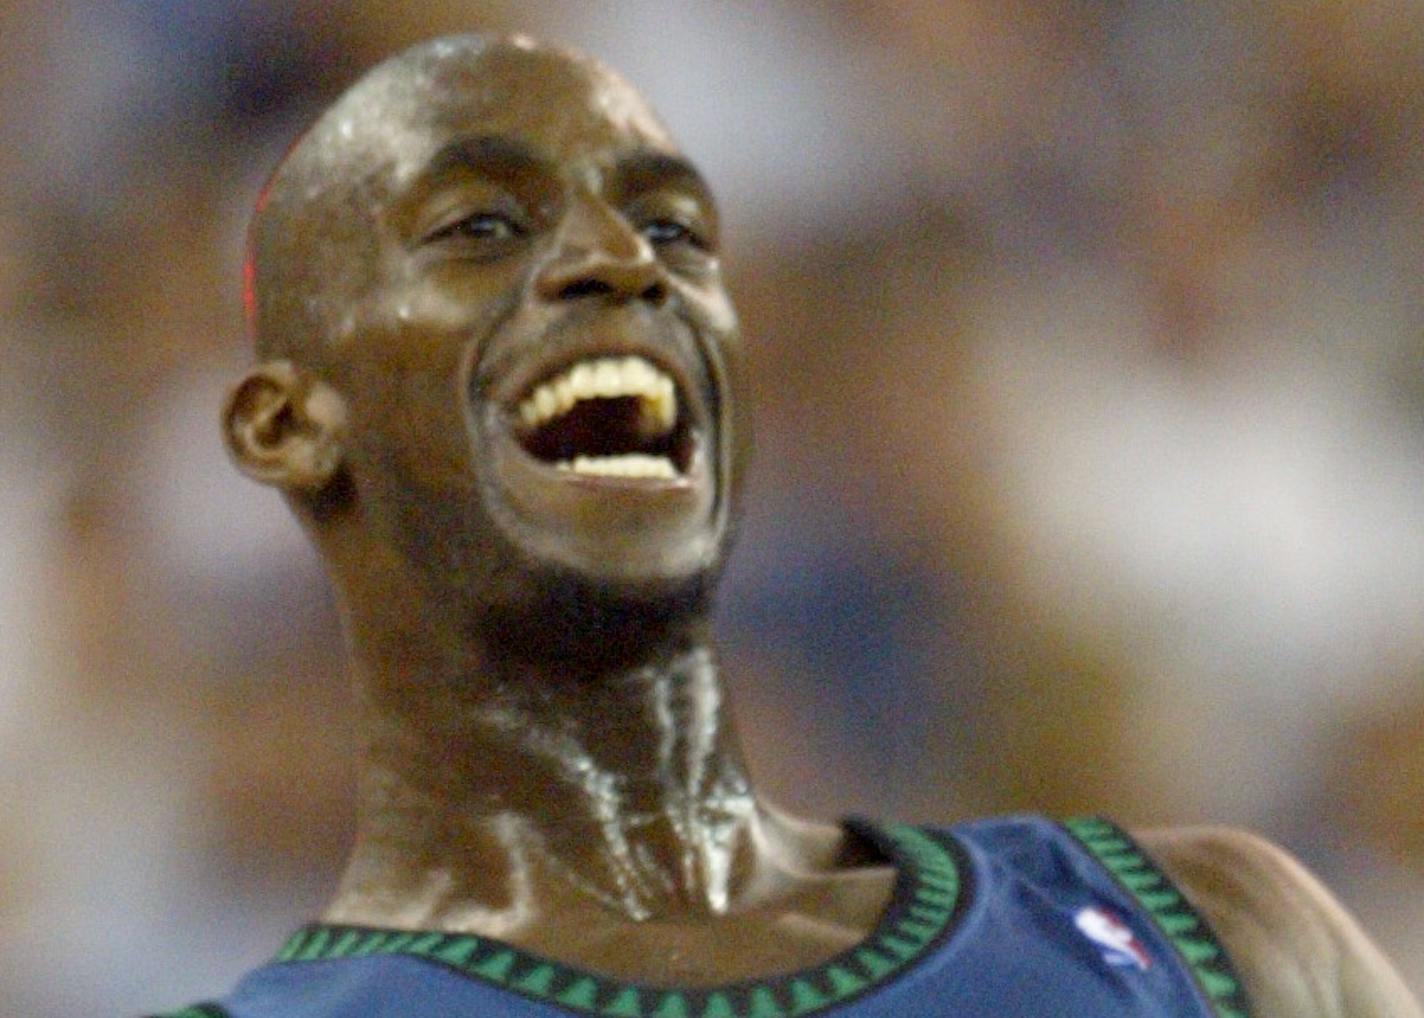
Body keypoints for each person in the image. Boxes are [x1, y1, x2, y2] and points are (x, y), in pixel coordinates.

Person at [150, 34, 1421, 1018]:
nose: (620, 261)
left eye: (673, 229)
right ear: (287, 429)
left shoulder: (1218, 936)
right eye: (480, 227)